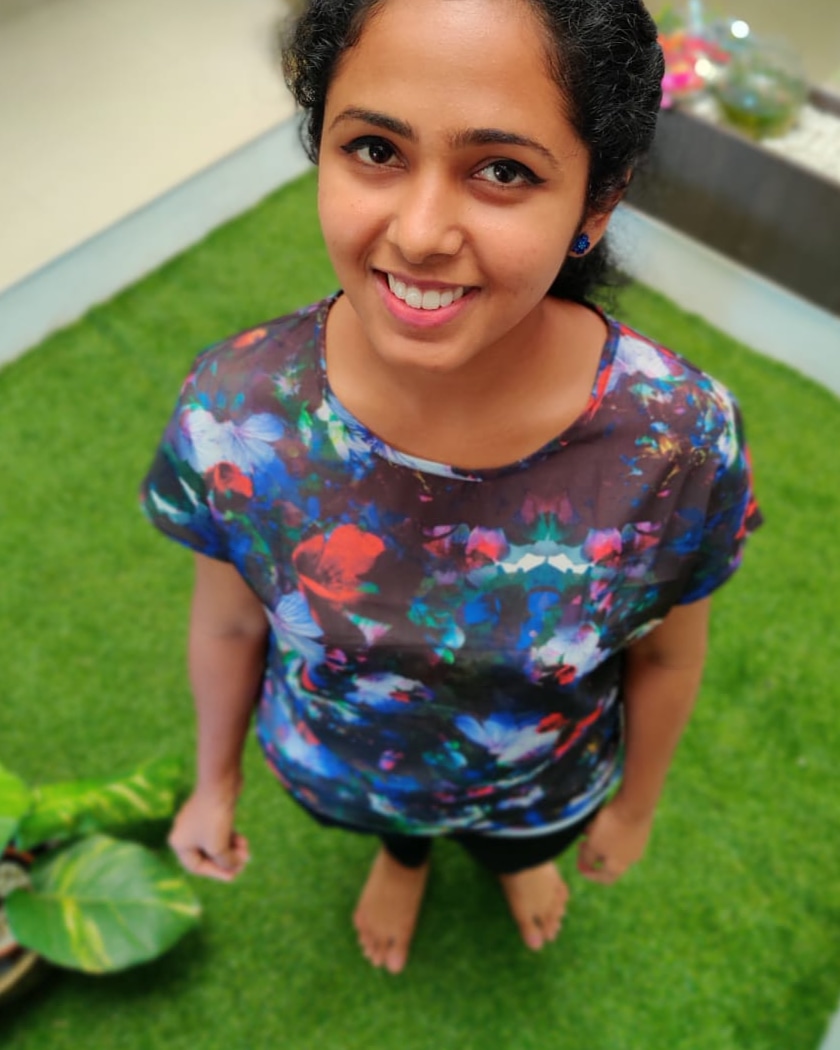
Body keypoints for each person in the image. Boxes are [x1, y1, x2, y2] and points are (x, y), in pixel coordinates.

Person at [140, 0, 762, 976]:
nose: (422, 232)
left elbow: (667, 657)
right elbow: (226, 625)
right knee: (395, 831)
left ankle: (515, 860)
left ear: (598, 202)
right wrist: (213, 783)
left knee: (522, 843)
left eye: (502, 170)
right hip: (348, 773)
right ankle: (404, 857)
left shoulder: (677, 439)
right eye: (375, 150)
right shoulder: (235, 411)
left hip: (542, 789)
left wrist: (634, 808)